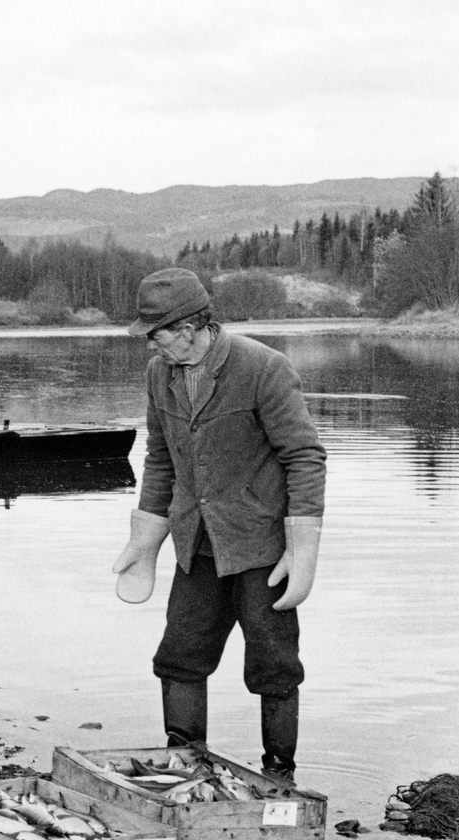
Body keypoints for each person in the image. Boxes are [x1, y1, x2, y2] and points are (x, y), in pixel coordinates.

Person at [113, 267, 326, 779]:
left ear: (188, 328)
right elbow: (161, 459)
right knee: (179, 658)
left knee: (274, 667)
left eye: (155, 333)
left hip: (260, 548)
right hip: (196, 544)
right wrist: (146, 537)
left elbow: (305, 457)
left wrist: (302, 544)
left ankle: (280, 774)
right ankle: (185, 766)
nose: (151, 345)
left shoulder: (263, 368)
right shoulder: (158, 375)